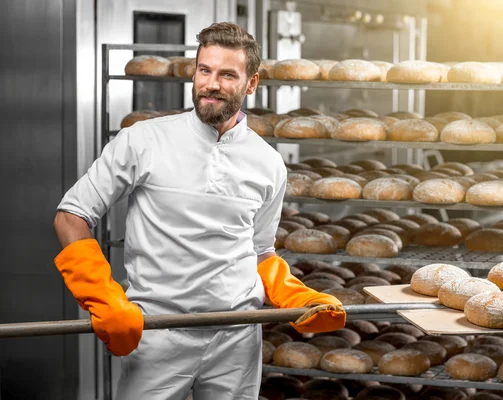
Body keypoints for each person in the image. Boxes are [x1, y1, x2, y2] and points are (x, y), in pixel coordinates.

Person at [53, 22, 345, 399]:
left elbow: (261, 251)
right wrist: (103, 296)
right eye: (204, 70)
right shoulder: (144, 140)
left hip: (237, 337)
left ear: (251, 84)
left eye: (227, 75)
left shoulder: (268, 162)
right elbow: (71, 215)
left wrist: (294, 293)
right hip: (158, 333)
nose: (211, 84)